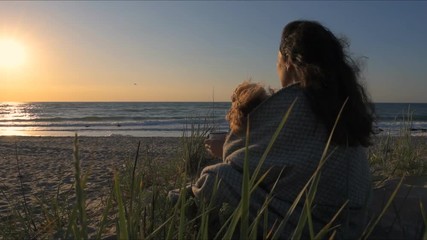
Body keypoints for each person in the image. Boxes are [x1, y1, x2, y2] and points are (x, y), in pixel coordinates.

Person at [195, 20, 374, 239]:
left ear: (288, 61)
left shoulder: (295, 103)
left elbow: (244, 165)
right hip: (353, 222)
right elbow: (290, 157)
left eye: (277, 60)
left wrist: (226, 148)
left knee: (216, 178)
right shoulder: (341, 101)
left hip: (314, 226)